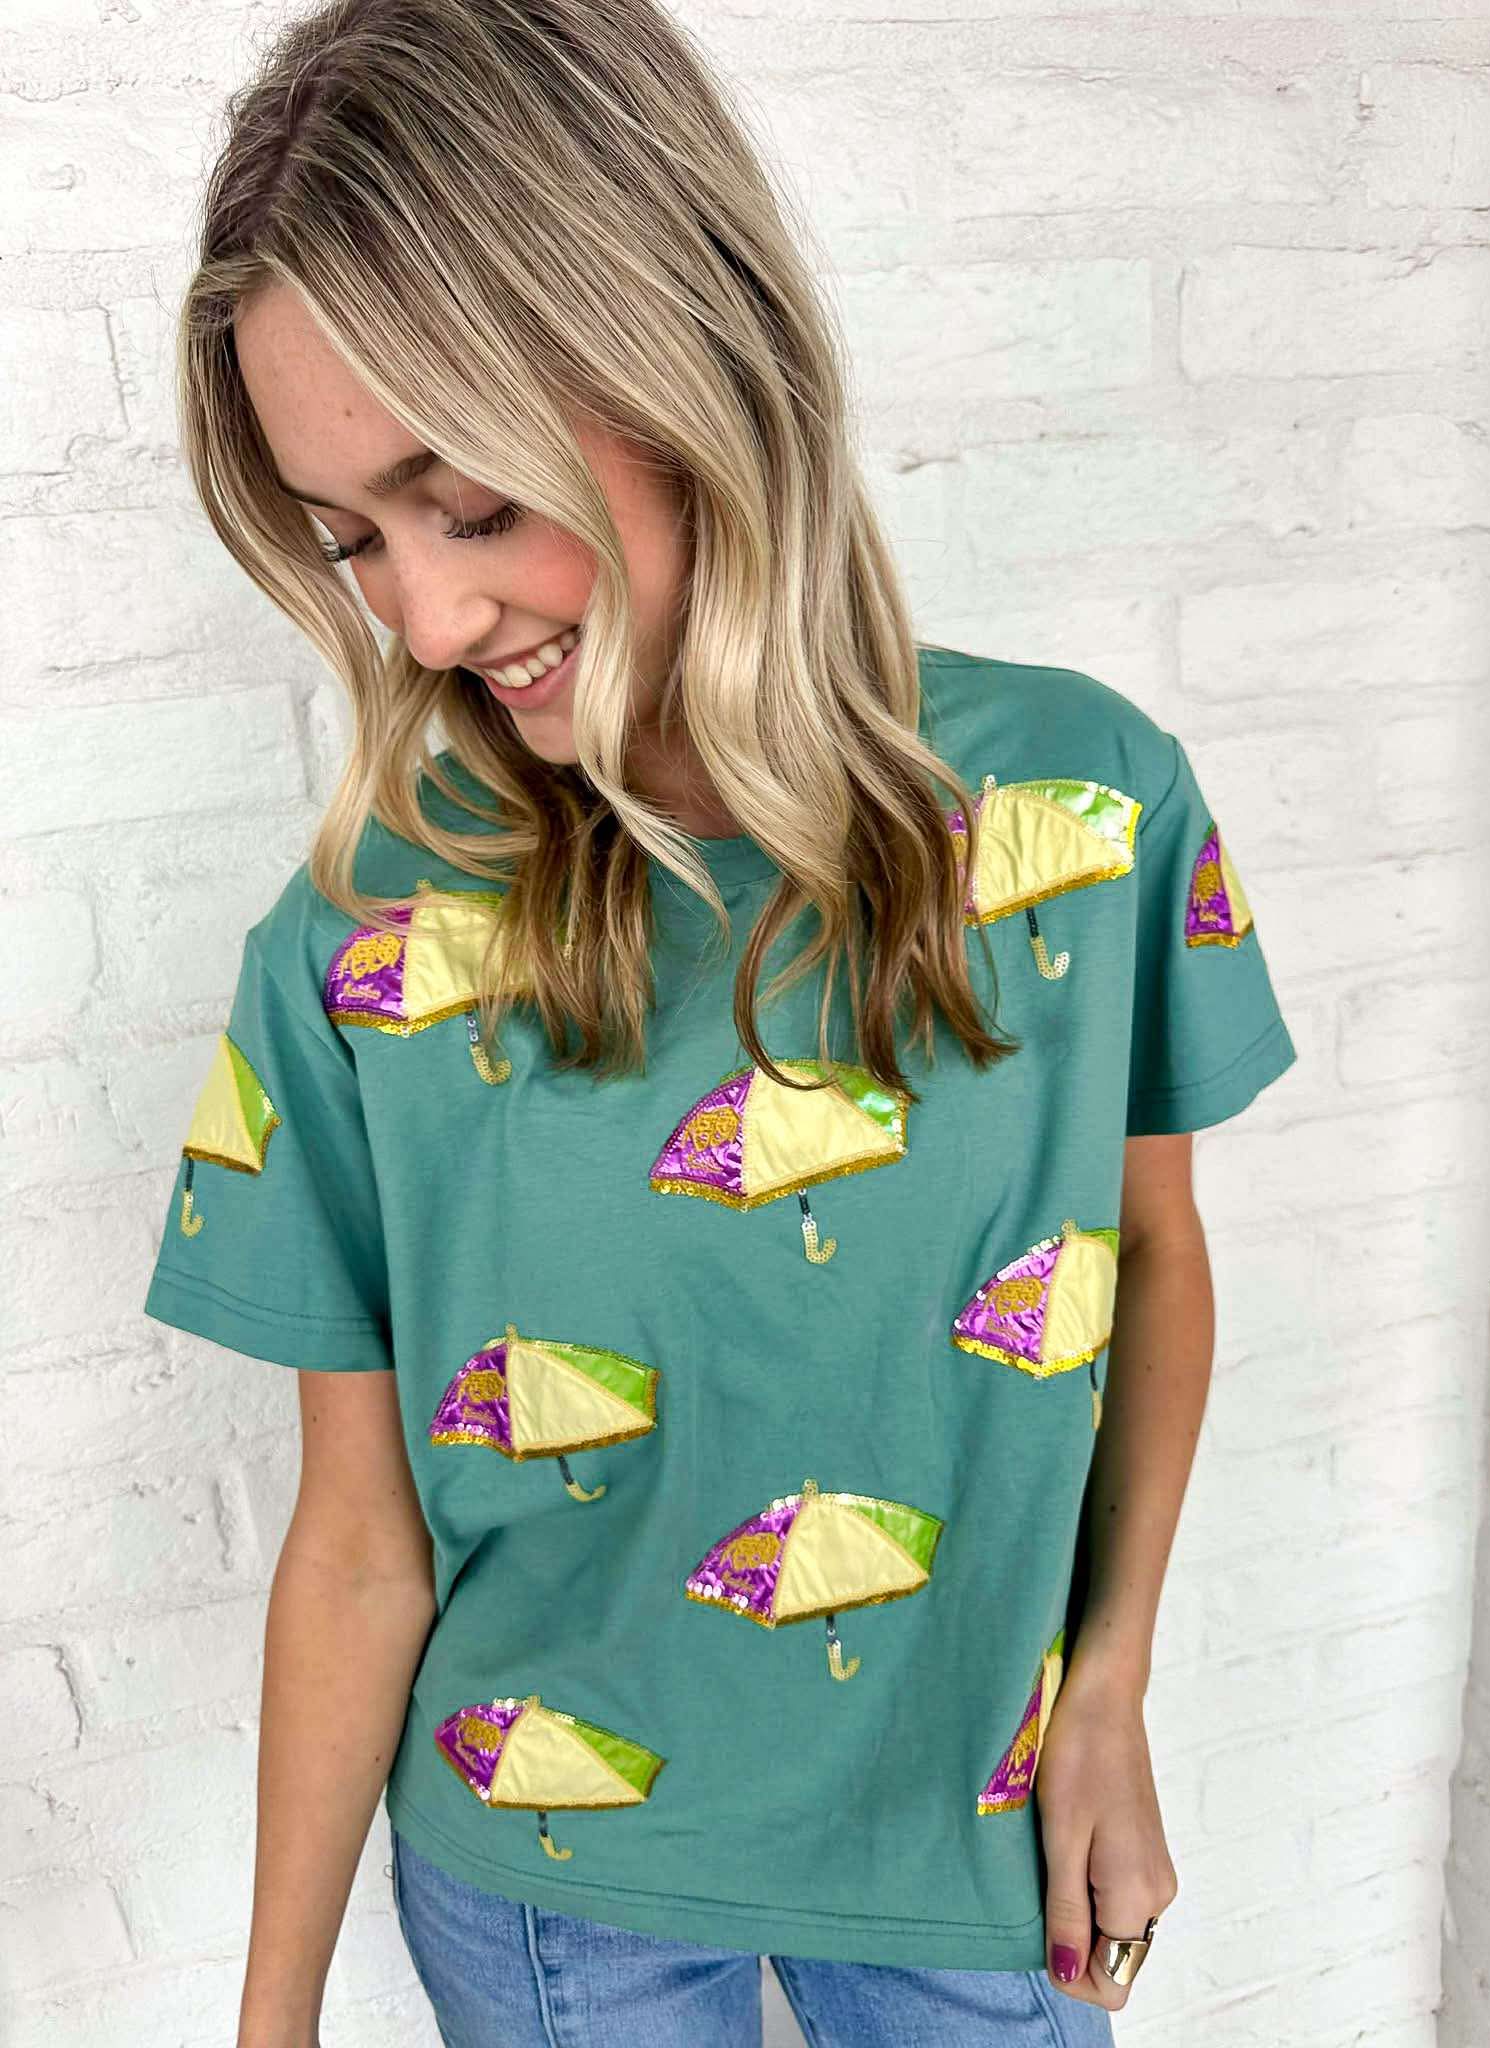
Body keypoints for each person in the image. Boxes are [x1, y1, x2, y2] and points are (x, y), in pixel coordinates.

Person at [141, 1, 1298, 2043]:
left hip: (972, 1840)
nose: (428, 622)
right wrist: (271, 2018)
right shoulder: (364, 937)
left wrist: (1110, 1683)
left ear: (680, 359)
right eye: (351, 543)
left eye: (465, 504)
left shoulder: (1087, 814)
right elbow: (358, 1544)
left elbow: (1148, 1254)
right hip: (544, 1890)